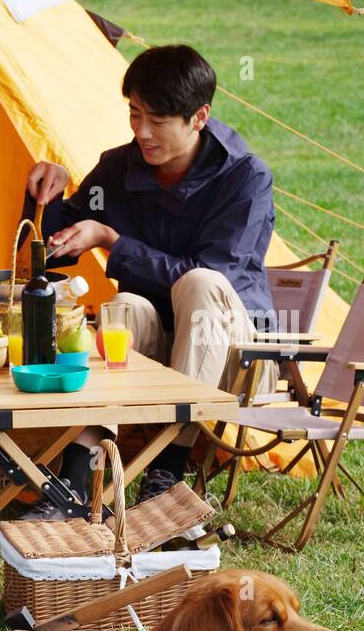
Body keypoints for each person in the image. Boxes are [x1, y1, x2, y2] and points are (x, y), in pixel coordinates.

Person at [21, 44, 275, 517]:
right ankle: (76, 486)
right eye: (135, 115)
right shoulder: (118, 168)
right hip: (154, 351)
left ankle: (165, 474)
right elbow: (50, 258)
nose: (141, 131)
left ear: (199, 117)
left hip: (238, 357)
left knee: (198, 283)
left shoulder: (246, 178)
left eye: (156, 120)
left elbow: (213, 277)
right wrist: (47, 193)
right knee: (127, 308)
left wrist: (114, 242)